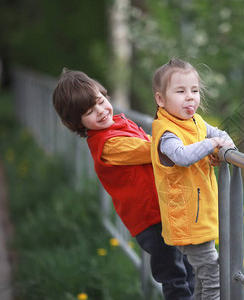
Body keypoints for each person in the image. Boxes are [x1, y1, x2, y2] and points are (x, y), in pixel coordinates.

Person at [52, 68, 195, 300]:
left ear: (105, 96)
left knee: (190, 270)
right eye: (89, 112)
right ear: (78, 123)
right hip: (152, 222)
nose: (100, 111)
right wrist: (195, 143)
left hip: (165, 211)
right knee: (175, 278)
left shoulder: (119, 124)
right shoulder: (108, 145)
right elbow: (153, 149)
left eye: (100, 101)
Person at [150, 58, 236, 300]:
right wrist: (210, 145)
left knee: (205, 273)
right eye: (180, 91)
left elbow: (219, 133)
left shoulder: (194, 121)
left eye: (195, 90)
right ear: (160, 99)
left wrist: (226, 148)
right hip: (186, 218)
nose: (190, 97)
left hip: (199, 214)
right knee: (212, 272)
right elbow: (182, 156)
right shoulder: (167, 132)